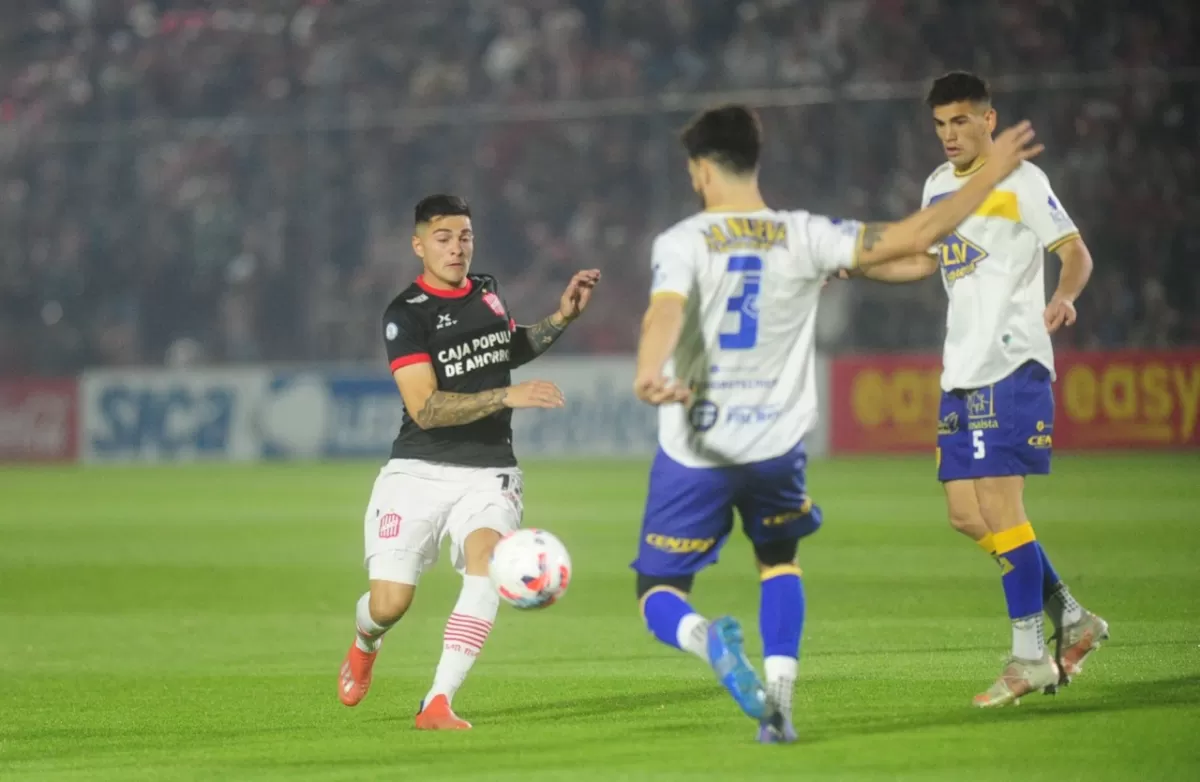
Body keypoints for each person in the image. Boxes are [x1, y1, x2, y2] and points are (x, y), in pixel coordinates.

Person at [630, 103, 1046, 742]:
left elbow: (663, 310)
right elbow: (913, 238)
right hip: (774, 448)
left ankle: (707, 638)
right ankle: (781, 707)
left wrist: (650, 368)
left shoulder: (681, 241)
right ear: (754, 161)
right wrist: (988, 176)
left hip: (697, 446)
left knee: (658, 586)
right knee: (779, 561)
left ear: (699, 172)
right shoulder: (805, 234)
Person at [846, 72, 1107, 707]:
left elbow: (1075, 253)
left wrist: (1064, 296)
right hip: (960, 372)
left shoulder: (1021, 181)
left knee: (1001, 508)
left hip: (1009, 363)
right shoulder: (940, 185)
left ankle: (1027, 657)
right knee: (966, 514)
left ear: (989, 120)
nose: (949, 135)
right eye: (939, 124)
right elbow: (926, 258)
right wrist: (855, 263)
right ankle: (1071, 616)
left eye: (960, 121)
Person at [337, 194, 601, 729]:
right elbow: (426, 409)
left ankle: (437, 701)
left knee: (488, 565)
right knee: (390, 604)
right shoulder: (404, 316)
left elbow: (507, 350)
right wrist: (507, 397)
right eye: (443, 238)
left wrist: (560, 318)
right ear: (418, 246)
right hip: (417, 469)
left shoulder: (487, 292)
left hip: (489, 472)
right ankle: (366, 641)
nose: (457, 248)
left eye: (465, 236)